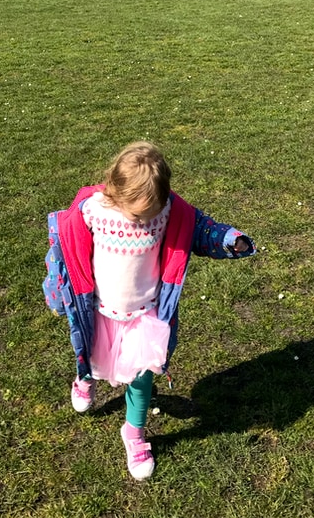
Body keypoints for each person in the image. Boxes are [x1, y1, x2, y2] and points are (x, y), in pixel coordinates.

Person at [43, 141, 256, 480]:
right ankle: (85, 380)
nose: (145, 220)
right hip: (97, 311)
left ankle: (135, 432)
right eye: (138, 214)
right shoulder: (91, 211)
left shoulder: (169, 210)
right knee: (89, 353)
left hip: (145, 316)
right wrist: (56, 294)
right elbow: (63, 256)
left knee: (142, 376)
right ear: (115, 192)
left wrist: (229, 239)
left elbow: (200, 230)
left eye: (152, 211)